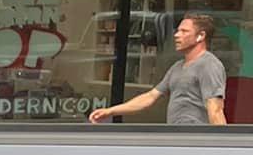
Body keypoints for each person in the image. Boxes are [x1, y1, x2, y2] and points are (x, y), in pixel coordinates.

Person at [90, 12, 227, 126]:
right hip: (177, 138)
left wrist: (223, 148)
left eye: (184, 31)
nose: (176, 35)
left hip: (195, 141)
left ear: (201, 36)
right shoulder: (177, 67)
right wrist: (110, 111)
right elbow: (150, 97)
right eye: (178, 30)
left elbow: (215, 110)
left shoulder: (209, 65)